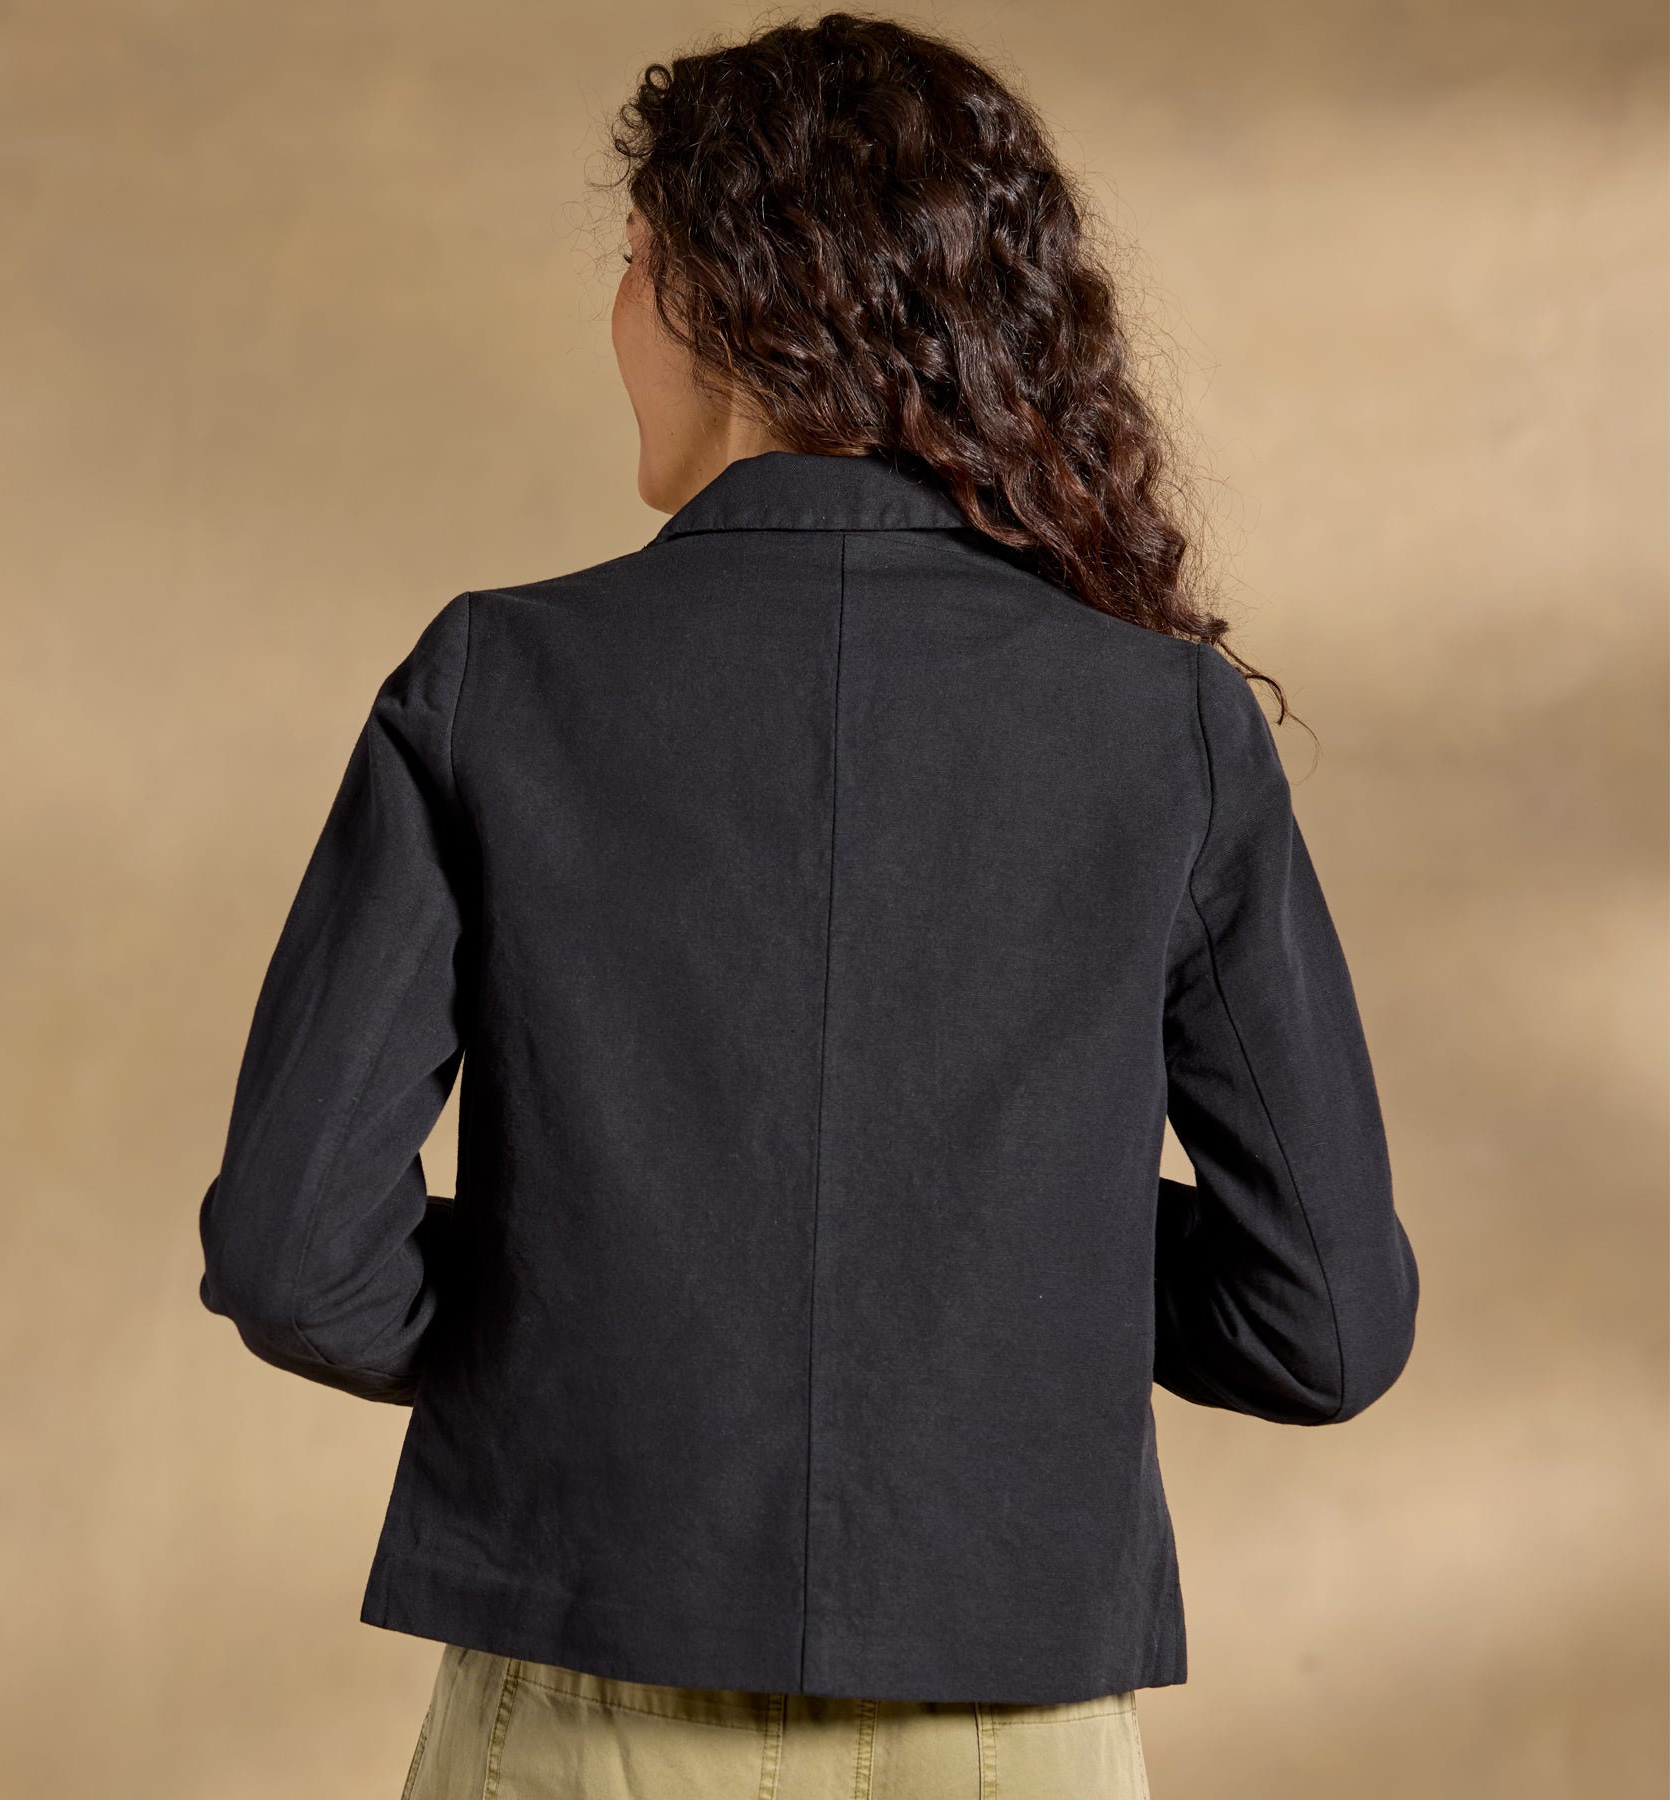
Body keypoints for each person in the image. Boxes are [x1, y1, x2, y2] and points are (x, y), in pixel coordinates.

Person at [196, 12, 1421, 1798]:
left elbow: (295, 1254)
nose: (615, 313)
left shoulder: (495, 682)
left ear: (715, 294)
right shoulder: (1163, 722)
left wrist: (606, 1290)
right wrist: (998, 1258)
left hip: (586, 1703)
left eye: (632, 261)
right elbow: (1326, 1323)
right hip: (1013, 1736)